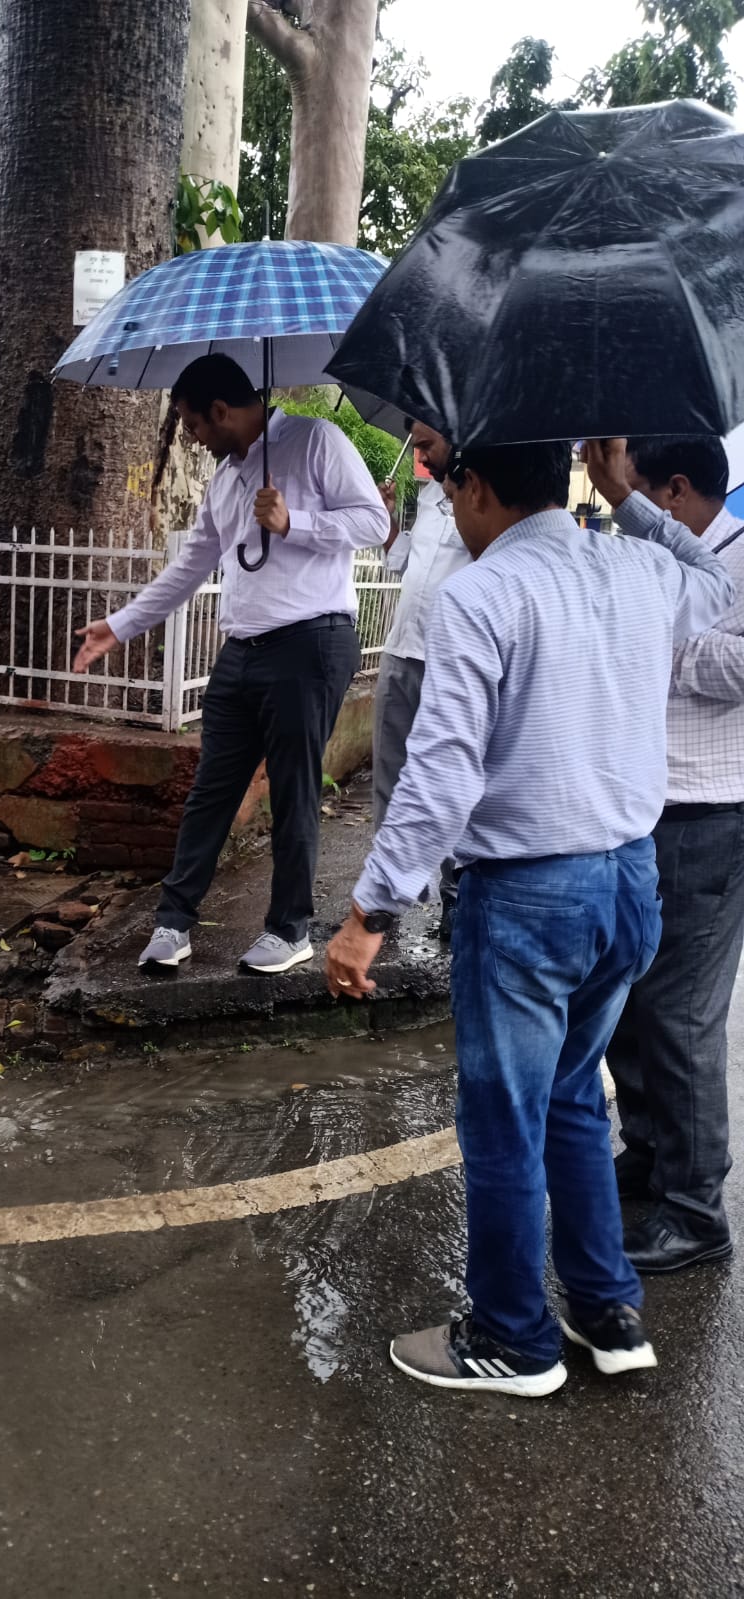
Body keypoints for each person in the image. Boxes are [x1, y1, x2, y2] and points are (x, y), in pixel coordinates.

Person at [324, 438, 733, 1399]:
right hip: (629, 885)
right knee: (573, 1099)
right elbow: (715, 580)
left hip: (529, 898)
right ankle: (607, 1310)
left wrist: (369, 911)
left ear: (473, 486)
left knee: (505, 1119)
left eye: (448, 484)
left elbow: (441, 775)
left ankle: (515, 1338)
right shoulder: (638, 564)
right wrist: (631, 499)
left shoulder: (482, 593)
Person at [73, 353, 387, 974]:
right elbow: (189, 567)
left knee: (294, 791)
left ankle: (290, 929)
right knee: (210, 791)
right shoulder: (225, 479)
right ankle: (173, 922)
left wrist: (295, 521)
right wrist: (121, 625)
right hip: (242, 652)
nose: (190, 436)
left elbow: (373, 521)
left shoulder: (314, 440)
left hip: (311, 641)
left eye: (192, 423)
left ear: (221, 411)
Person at [588, 435, 744, 1274]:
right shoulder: (664, 556)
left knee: (682, 1016)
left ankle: (695, 1207)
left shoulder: (739, 556)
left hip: (709, 813)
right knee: (634, 1002)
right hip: (648, 808)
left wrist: (664, 643)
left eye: (643, 492)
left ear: (675, 491)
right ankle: (648, 1154)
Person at [372, 423, 471, 939]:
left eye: (424, 441)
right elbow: (403, 562)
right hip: (400, 650)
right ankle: (387, 893)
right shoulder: (430, 495)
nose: (416, 451)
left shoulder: (479, 498)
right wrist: (389, 520)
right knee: (389, 777)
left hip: (450, 659)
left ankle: (456, 894)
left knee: (451, 782)